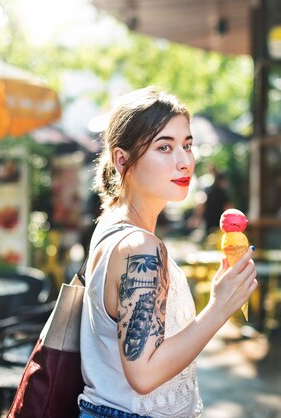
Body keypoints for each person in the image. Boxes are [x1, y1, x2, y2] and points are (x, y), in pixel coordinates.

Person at [78, 87, 257, 418]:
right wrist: (220, 307)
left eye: (187, 145)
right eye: (164, 147)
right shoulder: (142, 247)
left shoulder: (109, 224)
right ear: (122, 159)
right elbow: (143, 374)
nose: (184, 161)